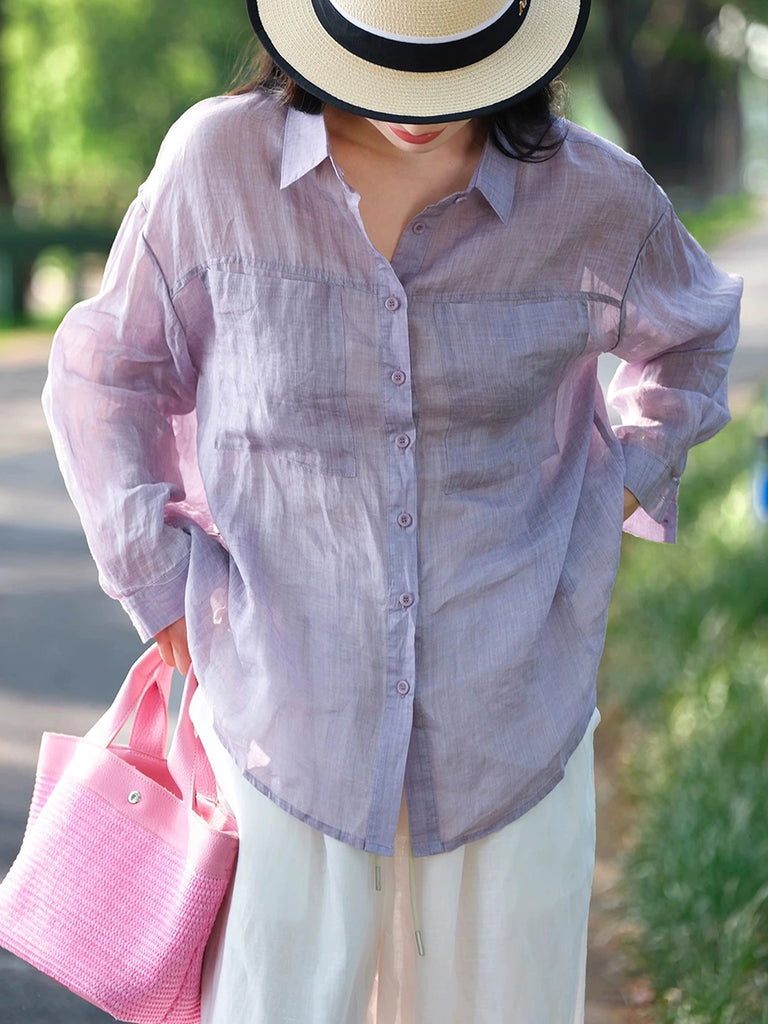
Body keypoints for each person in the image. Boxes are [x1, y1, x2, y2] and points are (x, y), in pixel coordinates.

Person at [41, 0, 742, 1021]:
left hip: (514, 717)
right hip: (284, 720)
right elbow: (106, 374)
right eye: (389, 69)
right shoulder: (217, 169)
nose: (416, 110)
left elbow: (695, 336)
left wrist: (612, 491)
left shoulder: (593, 197)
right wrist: (160, 585)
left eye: (446, 72)